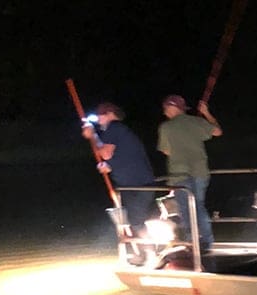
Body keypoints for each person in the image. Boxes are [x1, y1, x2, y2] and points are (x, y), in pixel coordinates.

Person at [157, 95, 222, 251]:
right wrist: (206, 113)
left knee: (185, 209)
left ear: (172, 108)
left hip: (179, 174)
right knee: (199, 206)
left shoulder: (165, 127)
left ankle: (191, 241)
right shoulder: (196, 121)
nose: (165, 113)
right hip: (200, 172)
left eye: (166, 109)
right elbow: (218, 131)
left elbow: (166, 150)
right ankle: (206, 241)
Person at [82, 102, 155, 239]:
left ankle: (149, 252)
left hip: (139, 185)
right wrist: (106, 166)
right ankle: (143, 252)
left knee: (136, 221)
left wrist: (92, 135)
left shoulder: (115, 128)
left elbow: (105, 153)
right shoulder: (116, 133)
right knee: (133, 221)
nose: (98, 120)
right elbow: (113, 160)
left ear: (110, 114)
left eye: (100, 116)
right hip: (131, 185)